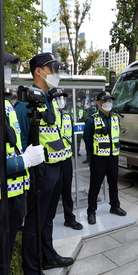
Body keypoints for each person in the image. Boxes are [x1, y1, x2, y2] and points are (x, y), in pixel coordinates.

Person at [14, 53, 74, 275]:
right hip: (40, 171)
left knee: (48, 216)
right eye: (53, 68)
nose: (56, 73)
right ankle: (32, 273)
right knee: (34, 221)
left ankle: (47, 255)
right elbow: (19, 143)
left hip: (56, 167)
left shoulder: (49, 99)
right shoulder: (25, 103)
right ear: (39, 71)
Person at [0, 82, 42, 275]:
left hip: (13, 194)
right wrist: (22, 162)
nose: (6, 74)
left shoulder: (5, 105)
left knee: (4, 254)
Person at [83, 91, 127, 224]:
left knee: (113, 184)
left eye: (110, 100)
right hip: (99, 158)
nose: (109, 103)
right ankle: (91, 212)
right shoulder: (92, 119)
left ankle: (115, 206)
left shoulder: (115, 118)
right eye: (105, 100)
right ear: (98, 103)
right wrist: (93, 153)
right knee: (95, 186)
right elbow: (87, 139)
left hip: (113, 157)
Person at [50, 88, 83, 230]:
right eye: (57, 98)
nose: (61, 101)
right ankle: (47, 221)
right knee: (53, 194)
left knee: (67, 191)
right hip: (53, 161)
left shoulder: (68, 117)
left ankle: (69, 218)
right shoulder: (48, 116)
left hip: (66, 160)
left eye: (62, 98)